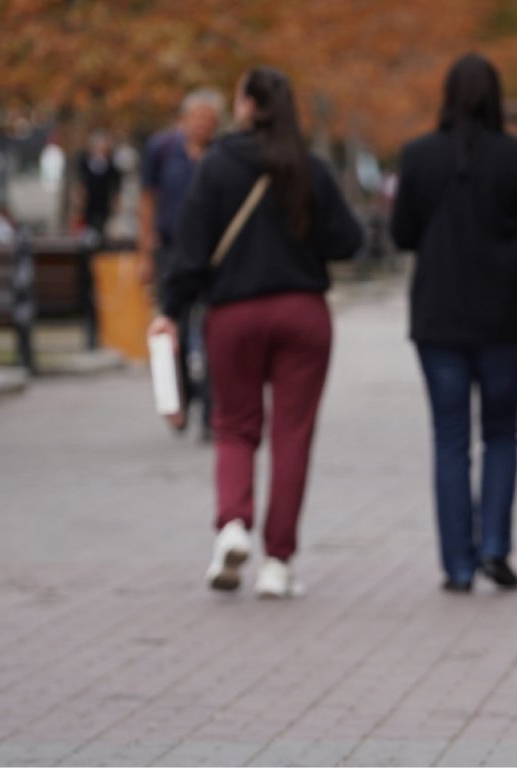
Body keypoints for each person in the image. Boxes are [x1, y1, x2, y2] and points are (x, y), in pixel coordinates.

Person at [149, 67, 362, 598]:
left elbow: (190, 247)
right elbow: (349, 241)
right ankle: (278, 562)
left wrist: (170, 308)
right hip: (302, 313)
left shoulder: (217, 165)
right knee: (292, 433)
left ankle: (232, 526)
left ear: (244, 106)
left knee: (235, 425)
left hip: (233, 314)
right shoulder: (308, 166)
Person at [392, 53, 517, 593]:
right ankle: (494, 547)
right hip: (502, 316)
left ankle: (457, 565)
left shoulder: (417, 156)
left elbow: (401, 234)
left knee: (450, 439)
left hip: (438, 315)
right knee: (502, 434)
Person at [140, 89, 223, 437]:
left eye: (210, 119)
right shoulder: (161, 150)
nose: (202, 125)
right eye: (197, 117)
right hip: (171, 250)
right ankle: (174, 400)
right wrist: (144, 252)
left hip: (215, 254)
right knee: (168, 327)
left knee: (213, 329)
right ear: (184, 119)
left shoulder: (222, 155)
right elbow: (147, 200)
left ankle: (211, 410)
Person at [75, 130, 121, 239]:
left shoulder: (111, 165)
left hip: (103, 201)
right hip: (89, 202)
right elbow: (80, 180)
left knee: (102, 226)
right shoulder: (84, 162)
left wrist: (115, 199)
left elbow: (115, 183)